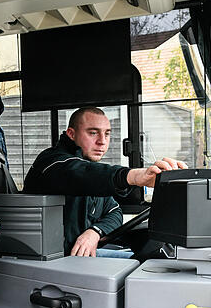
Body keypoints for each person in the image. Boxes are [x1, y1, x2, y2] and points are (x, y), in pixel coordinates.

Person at [24, 107, 186, 257]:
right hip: (53, 258)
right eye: (93, 133)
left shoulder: (93, 172)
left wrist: (94, 232)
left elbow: (114, 211)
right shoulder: (52, 163)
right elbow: (80, 174)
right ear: (71, 134)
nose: (102, 141)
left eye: (107, 133)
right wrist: (135, 177)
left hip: (82, 255)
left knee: (154, 262)